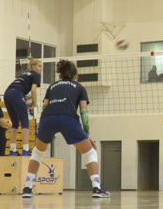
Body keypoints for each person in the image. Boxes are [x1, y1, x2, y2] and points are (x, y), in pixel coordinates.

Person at [21, 60, 109, 198]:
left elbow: (45, 107)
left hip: (47, 118)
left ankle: (27, 188)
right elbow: (84, 112)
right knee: (90, 152)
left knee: (37, 153)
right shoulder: (79, 87)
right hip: (68, 118)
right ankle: (97, 189)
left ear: (60, 76)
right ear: (75, 76)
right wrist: (87, 134)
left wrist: (42, 127)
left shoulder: (52, 87)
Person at [4, 57, 41, 156]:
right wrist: (35, 103)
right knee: (25, 122)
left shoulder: (25, 74)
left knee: (15, 123)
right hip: (17, 93)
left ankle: (13, 150)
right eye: (39, 66)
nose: (41, 68)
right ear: (33, 67)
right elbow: (33, 90)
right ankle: (26, 149)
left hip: (7, 94)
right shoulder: (35, 75)